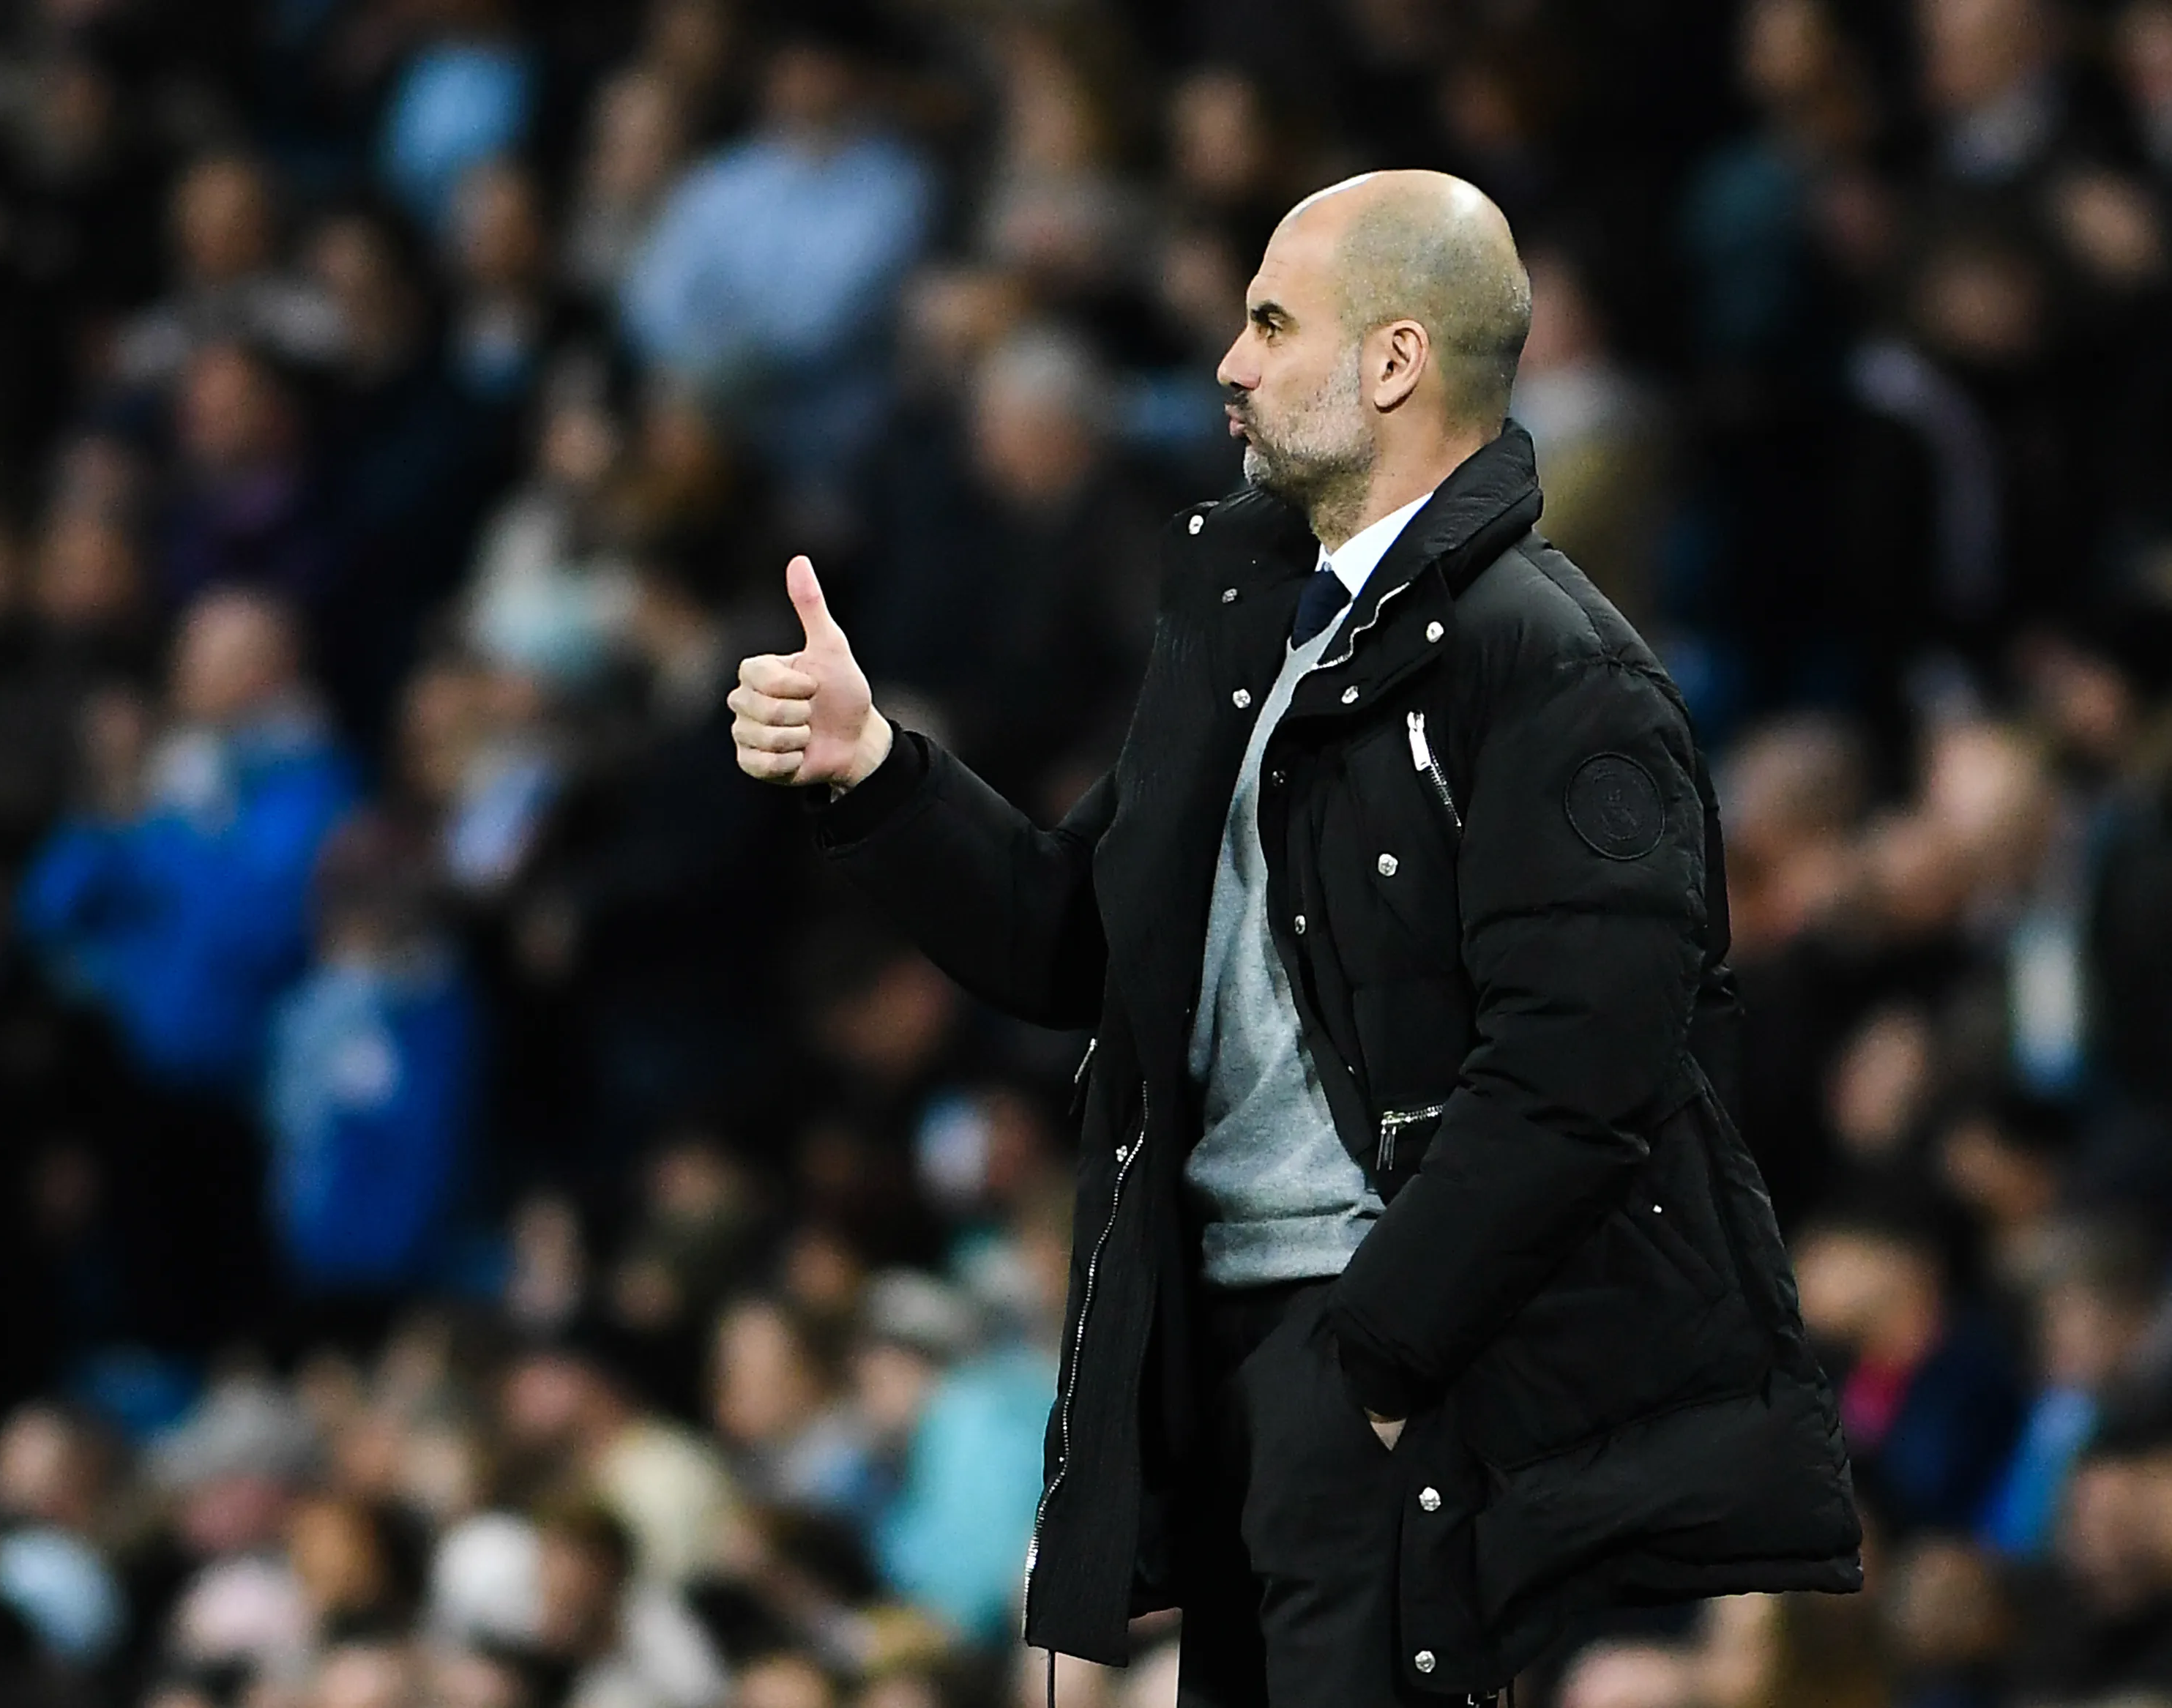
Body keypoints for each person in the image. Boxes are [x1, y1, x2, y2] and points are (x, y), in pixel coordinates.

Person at [728, 170, 1862, 1703]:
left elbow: (1581, 1072)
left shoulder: (1558, 671)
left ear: (1394, 362)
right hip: (1234, 1354)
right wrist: (877, 774)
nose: (1229, 363)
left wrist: (1375, 1354)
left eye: (1271, 323)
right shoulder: (1246, 641)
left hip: (1409, 1380)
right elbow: (1081, 948)